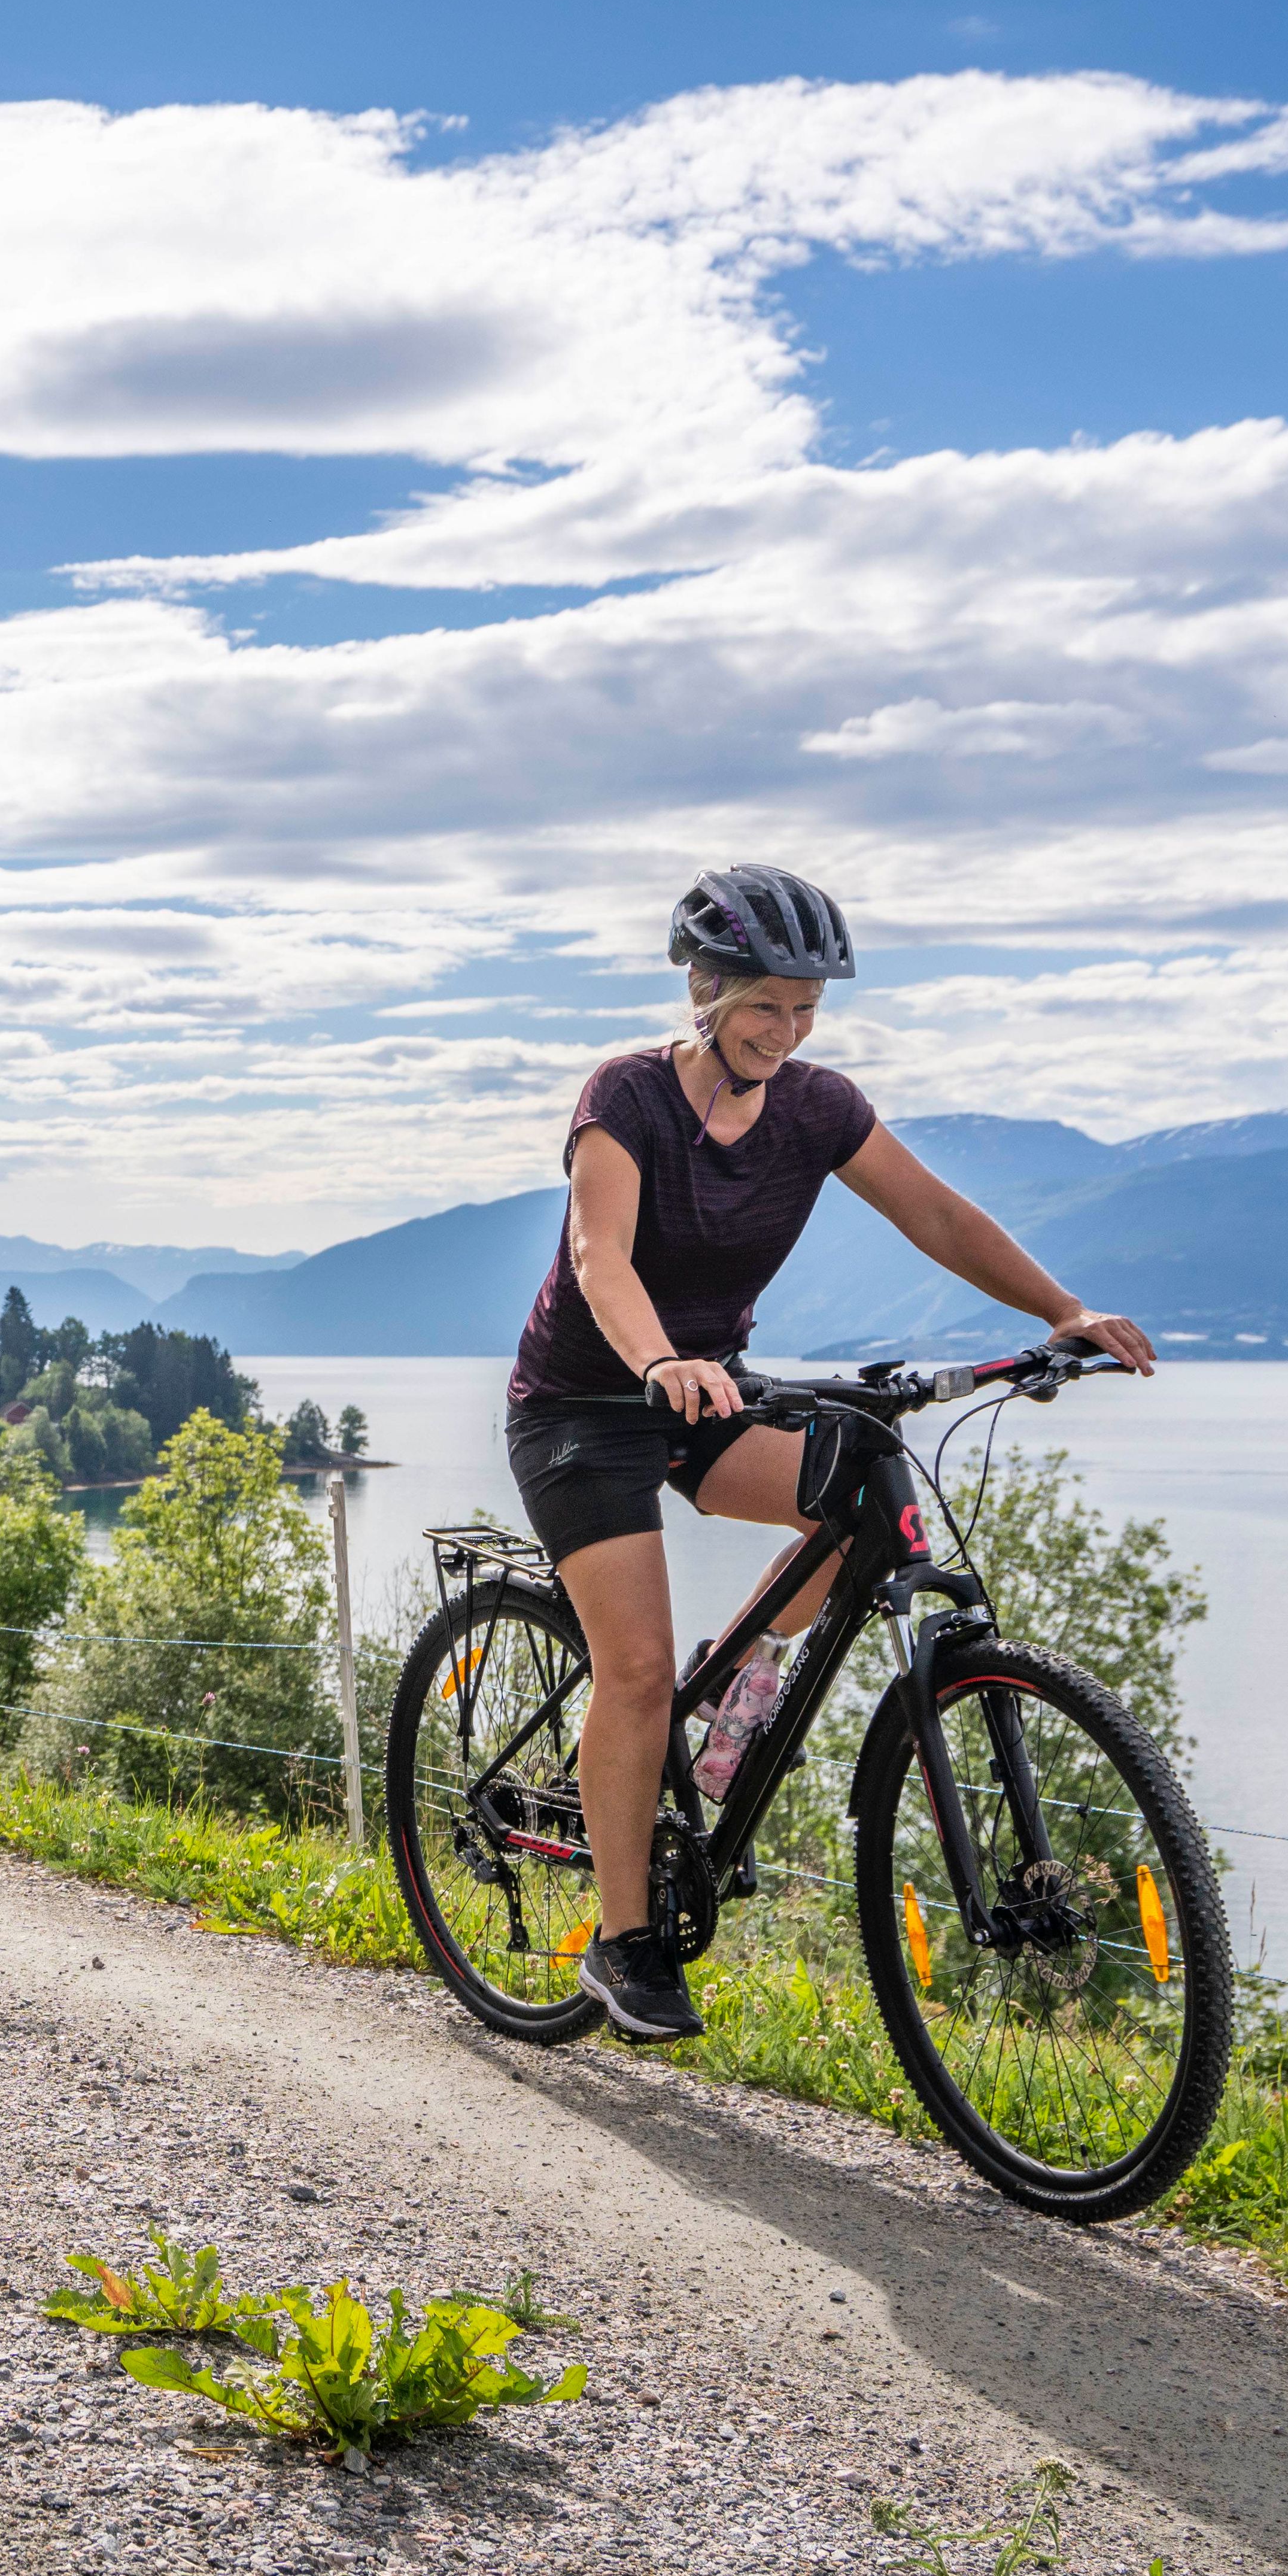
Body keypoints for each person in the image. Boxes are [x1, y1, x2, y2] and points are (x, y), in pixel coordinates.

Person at [504, 863, 1156, 2042]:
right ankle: (621, 1941)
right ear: (705, 990)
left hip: (707, 1392)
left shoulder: (816, 1108)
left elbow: (938, 1216)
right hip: (587, 1404)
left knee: (856, 1495)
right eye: (767, 1007)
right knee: (635, 1669)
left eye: (808, 1010)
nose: (788, 1031)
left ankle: (737, 1672)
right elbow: (602, 1256)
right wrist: (656, 1363)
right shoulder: (628, 1098)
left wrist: (1059, 1310)